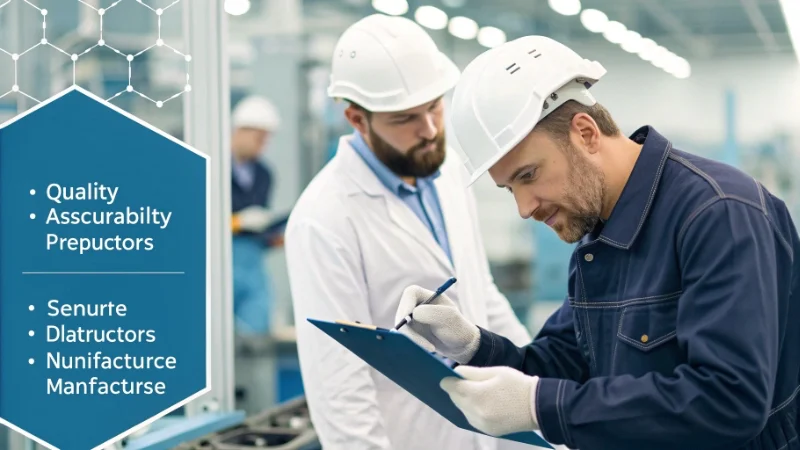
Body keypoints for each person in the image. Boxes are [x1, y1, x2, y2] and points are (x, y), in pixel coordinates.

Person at [395, 34, 800, 450]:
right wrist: (474, 345)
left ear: (586, 134)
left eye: (529, 175)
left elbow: (728, 401)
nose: (523, 207)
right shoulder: (599, 236)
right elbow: (564, 366)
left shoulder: (719, 214)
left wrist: (542, 407)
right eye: (509, 189)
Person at [284, 14, 536, 450]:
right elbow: (339, 382)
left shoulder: (448, 171)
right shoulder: (324, 218)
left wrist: (541, 392)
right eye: (405, 118)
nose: (431, 130)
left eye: (434, 106)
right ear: (357, 119)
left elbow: (481, 294)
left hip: (478, 436)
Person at [230, 95, 283, 335]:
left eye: (266, 140)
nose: (262, 145)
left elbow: (261, 223)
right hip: (218, 258)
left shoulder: (264, 174)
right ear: (239, 131)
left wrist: (273, 236)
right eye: (258, 138)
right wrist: (236, 222)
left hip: (252, 260)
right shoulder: (212, 167)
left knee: (255, 325)